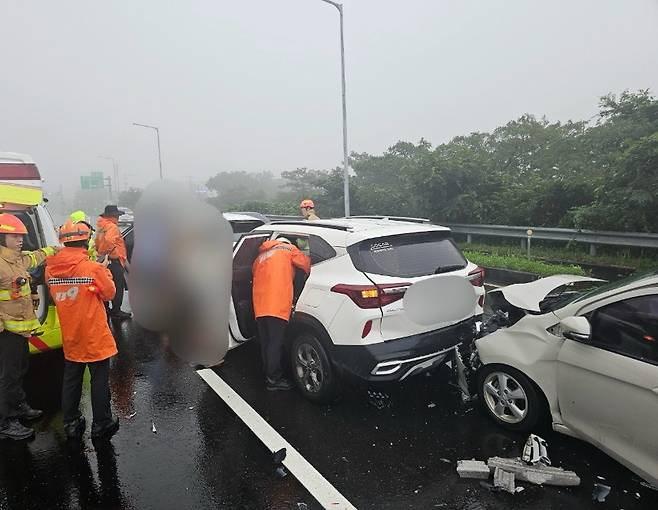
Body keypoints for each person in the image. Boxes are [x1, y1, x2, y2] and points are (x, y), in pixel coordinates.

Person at [46, 220, 120, 440]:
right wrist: (105, 273)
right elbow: (110, 294)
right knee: (98, 379)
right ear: (86, 241)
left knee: (71, 379)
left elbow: (55, 297)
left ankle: (70, 422)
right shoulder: (93, 268)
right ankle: (102, 423)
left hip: (70, 335)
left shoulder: (51, 270)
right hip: (94, 335)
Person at [0, 213, 58, 441]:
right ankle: (5, 421)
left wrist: (55, 250)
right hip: (7, 331)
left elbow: (35, 257)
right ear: (3, 237)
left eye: (21, 236)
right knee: (8, 376)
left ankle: (19, 406)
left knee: (20, 369)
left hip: (21, 330)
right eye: (15, 237)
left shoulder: (17, 260)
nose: (20, 240)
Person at [252, 236, 310, 391]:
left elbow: (253, 274)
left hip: (260, 305)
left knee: (267, 342)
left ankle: (268, 373)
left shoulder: (261, 256)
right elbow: (306, 265)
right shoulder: (289, 249)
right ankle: (274, 379)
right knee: (276, 343)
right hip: (277, 304)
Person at [96, 205, 131, 320]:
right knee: (117, 286)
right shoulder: (112, 227)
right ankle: (116, 310)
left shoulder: (101, 226)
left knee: (105, 285)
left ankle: (106, 308)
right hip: (114, 260)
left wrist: (103, 254)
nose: (118, 219)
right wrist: (112, 252)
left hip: (103, 260)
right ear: (114, 216)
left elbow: (97, 242)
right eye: (117, 216)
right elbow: (110, 240)